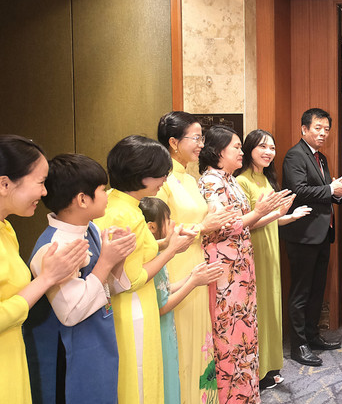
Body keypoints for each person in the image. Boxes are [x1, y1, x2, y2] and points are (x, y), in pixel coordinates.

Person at [24, 154, 135, 404]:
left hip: (99, 343)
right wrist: (106, 261)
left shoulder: (91, 229)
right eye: (103, 190)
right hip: (72, 354)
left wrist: (118, 257)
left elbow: (109, 289)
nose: (108, 195)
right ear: (83, 199)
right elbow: (70, 313)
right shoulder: (53, 246)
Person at [95, 135, 197, 404]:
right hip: (133, 309)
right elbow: (131, 278)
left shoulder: (113, 202)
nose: (165, 178)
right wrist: (171, 250)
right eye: (161, 173)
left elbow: (134, 254)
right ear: (142, 176)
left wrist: (166, 243)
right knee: (140, 383)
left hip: (124, 307)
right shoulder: (127, 215)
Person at [0, 136, 90, 404]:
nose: (44, 192)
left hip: (12, 353)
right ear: (4, 184)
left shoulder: (6, 228)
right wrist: (48, 278)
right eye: (40, 182)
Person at [198, 125, 283, 403]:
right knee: (230, 333)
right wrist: (260, 211)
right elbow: (222, 226)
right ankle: (231, 396)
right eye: (235, 146)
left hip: (241, 264)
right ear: (217, 151)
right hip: (225, 268)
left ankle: (247, 394)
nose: (240, 151)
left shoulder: (230, 180)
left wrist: (270, 213)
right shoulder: (211, 182)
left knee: (245, 329)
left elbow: (246, 223)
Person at [156, 111, 234, 403]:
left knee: (200, 342)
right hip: (176, 267)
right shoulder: (162, 182)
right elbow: (160, 234)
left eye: (201, 137)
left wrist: (214, 218)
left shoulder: (189, 179)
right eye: (196, 137)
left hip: (197, 264)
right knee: (182, 343)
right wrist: (204, 225)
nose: (202, 143)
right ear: (174, 142)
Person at [280, 108, 342, 367]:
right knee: (301, 291)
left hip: (322, 234)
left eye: (326, 129)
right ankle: (298, 345)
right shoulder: (295, 155)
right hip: (302, 234)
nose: (323, 133)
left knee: (316, 289)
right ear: (304, 129)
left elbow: (321, 192)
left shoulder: (320, 158)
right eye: (317, 128)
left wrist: (337, 193)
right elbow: (297, 191)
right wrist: (329, 188)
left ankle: (312, 336)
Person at [236, 129, 310, 389]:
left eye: (272, 147)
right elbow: (246, 225)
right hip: (254, 249)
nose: (268, 152)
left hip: (270, 247)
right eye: (262, 147)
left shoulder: (266, 179)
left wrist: (289, 216)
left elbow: (268, 220)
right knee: (260, 309)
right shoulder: (242, 181)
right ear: (248, 150)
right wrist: (276, 212)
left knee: (271, 306)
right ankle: (258, 370)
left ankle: (270, 366)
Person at [140, 197, 224, 404]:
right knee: (166, 380)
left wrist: (191, 277)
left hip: (167, 328)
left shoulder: (156, 254)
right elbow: (162, 306)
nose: (174, 225)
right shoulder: (151, 259)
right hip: (158, 330)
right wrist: (193, 282)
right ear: (151, 227)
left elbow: (165, 290)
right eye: (168, 220)